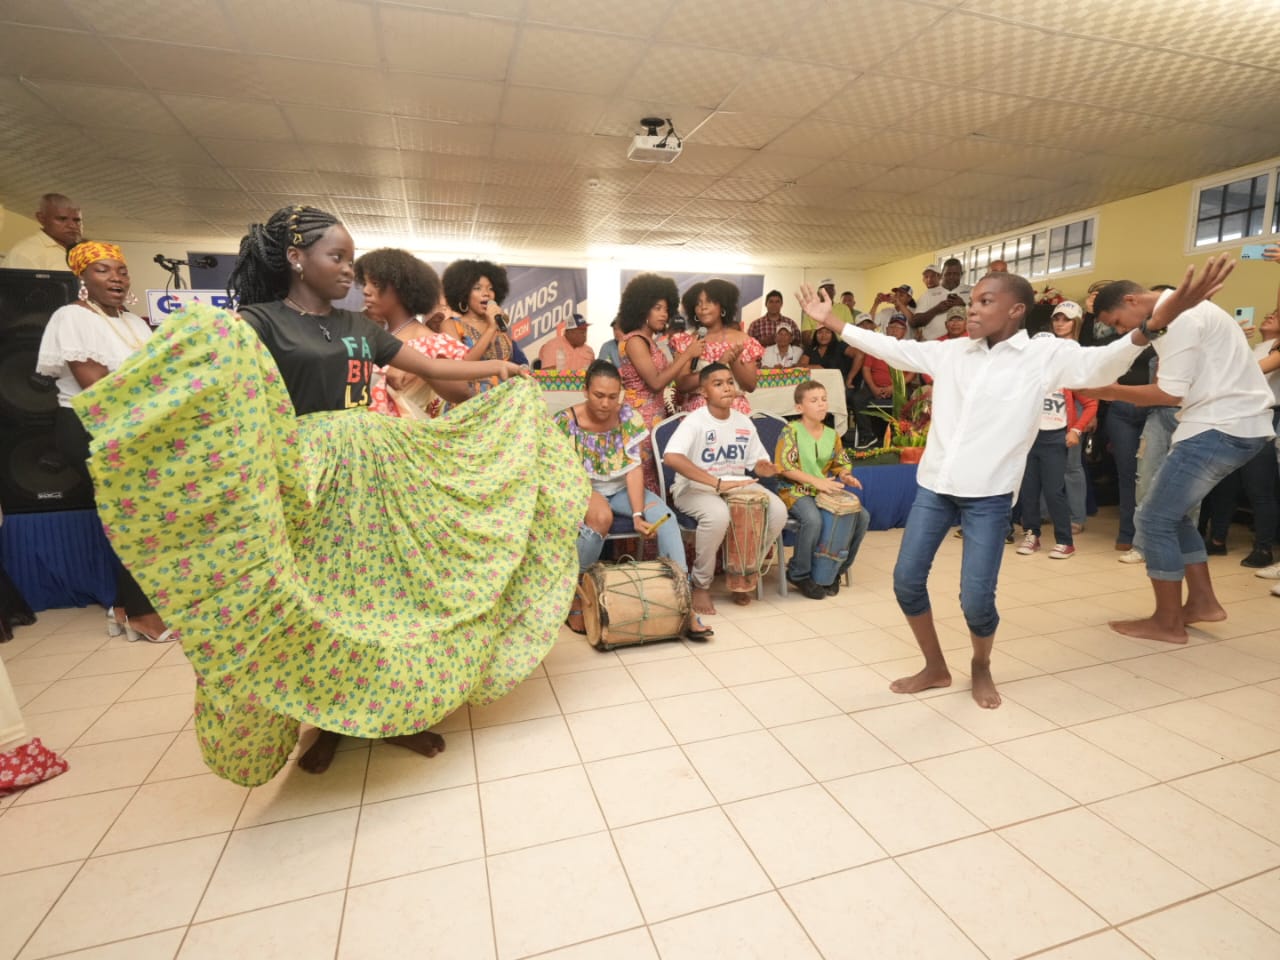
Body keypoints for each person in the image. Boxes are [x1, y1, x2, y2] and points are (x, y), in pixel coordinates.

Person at [72, 204, 587, 785]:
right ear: (296, 258)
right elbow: (224, 391)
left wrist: (502, 370)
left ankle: (389, 715)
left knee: (384, 598)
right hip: (307, 476)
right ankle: (333, 722)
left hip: (376, 468)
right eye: (336, 257)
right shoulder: (255, 323)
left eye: (351, 258)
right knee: (328, 603)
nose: (349, 271)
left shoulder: (359, 329)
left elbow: (431, 371)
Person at [797, 260, 1226, 708]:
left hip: (989, 496)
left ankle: (980, 665)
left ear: (1017, 309)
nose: (973, 311)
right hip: (935, 488)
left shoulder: (1044, 356)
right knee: (906, 582)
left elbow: (1101, 363)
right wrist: (830, 321)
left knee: (977, 601)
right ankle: (935, 666)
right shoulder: (951, 352)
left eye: (985, 301)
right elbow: (887, 346)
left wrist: (1151, 327)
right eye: (972, 302)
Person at [1088, 265, 1273, 643]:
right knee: (1173, 517)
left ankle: (1167, 622)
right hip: (1234, 425)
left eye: (1118, 322)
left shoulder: (1178, 319)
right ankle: (1202, 603)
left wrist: (1110, 391)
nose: (1123, 331)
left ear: (1131, 300)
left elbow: (1169, 395)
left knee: (1153, 519)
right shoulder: (1185, 309)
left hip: (1219, 427)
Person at [35, 241, 172, 644]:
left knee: (141, 515)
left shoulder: (134, 323)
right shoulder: (72, 317)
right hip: (92, 427)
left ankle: (125, 607)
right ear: (82, 278)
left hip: (132, 428)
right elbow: (96, 386)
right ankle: (142, 615)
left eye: (121, 270)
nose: (116, 277)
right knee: (133, 517)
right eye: (102, 270)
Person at [554, 361, 711, 639]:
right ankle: (575, 591)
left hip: (623, 488)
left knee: (666, 519)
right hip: (582, 486)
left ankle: (683, 601)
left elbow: (633, 468)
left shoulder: (628, 417)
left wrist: (638, 514)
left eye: (613, 396)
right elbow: (561, 473)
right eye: (598, 395)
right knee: (601, 518)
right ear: (585, 390)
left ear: (621, 394)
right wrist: (588, 495)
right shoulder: (565, 422)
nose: (605, 403)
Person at [663, 364, 787, 614]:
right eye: (718, 383)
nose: (727, 387)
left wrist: (767, 468)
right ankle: (701, 585)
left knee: (778, 511)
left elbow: (756, 463)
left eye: (730, 382)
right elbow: (671, 458)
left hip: (736, 485)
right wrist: (716, 483)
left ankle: (742, 571)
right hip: (694, 488)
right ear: (704, 391)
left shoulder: (743, 422)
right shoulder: (695, 421)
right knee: (718, 515)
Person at [775, 381, 870, 599]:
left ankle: (836, 570)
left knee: (862, 517)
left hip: (822, 489)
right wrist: (816, 482)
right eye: (814, 400)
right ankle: (799, 573)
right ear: (799, 408)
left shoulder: (832, 435)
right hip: (793, 489)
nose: (821, 404)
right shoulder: (791, 431)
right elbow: (784, 467)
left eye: (824, 399)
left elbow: (840, 463)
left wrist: (846, 475)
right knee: (813, 519)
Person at [355, 248, 471, 419]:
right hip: (365, 437)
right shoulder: (375, 337)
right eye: (365, 283)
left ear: (402, 290)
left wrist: (419, 367)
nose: (366, 290)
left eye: (376, 284)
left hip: (405, 437)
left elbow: (463, 392)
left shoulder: (432, 341)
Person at [616, 272, 703, 492]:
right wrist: (686, 355)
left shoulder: (651, 341)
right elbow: (655, 383)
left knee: (655, 474)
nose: (664, 315)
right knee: (642, 476)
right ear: (642, 308)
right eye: (657, 308)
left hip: (655, 415)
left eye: (666, 309)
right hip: (639, 418)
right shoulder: (635, 341)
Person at [1015, 332, 1082, 561]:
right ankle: (1032, 534)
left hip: (1055, 439)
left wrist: (1077, 429)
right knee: (1029, 491)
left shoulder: (1065, 375)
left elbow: (1091, 403)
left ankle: (1065, 541)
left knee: (1054, 491)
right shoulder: (1024, 376)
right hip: (1030, 439)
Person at [670, 279, 764, 414]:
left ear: (722, 306)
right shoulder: (685, 342)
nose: (703, 307)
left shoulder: (742, 340)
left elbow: (750, 386)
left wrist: (734, 361)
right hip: (699, 414)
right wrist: (718, 364)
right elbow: (682, 385)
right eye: (698, 303)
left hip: (734, 412)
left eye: (709, 301)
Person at [1049, 301, 1098, 533]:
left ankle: (1077, 516)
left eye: (1065, 319)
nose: (1060, 324)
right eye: (1057, 319)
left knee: (1072, 466)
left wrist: (1087, 418)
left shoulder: (1080, 350)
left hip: (1075, 406)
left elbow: (1088, 387)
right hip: (1049, 407)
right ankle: (1045, 513)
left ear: (1076, 322)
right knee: (1047, 465)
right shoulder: (1046, 347)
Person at [440, 259, 529, 376]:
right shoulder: (450, 325)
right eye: (477, 288)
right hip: (470, 394)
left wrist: (522, 369)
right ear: (464, 294)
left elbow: (522, 365)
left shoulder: (499, 325)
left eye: (491, 288)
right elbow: (460, 369)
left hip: (505, 393)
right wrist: (491, 329)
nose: (486, 293)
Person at [4, 194, 82, 270]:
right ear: (41, 218)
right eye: (62, 219)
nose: (72, 225)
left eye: (77, 220)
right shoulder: (25, 253)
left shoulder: (84, 252)